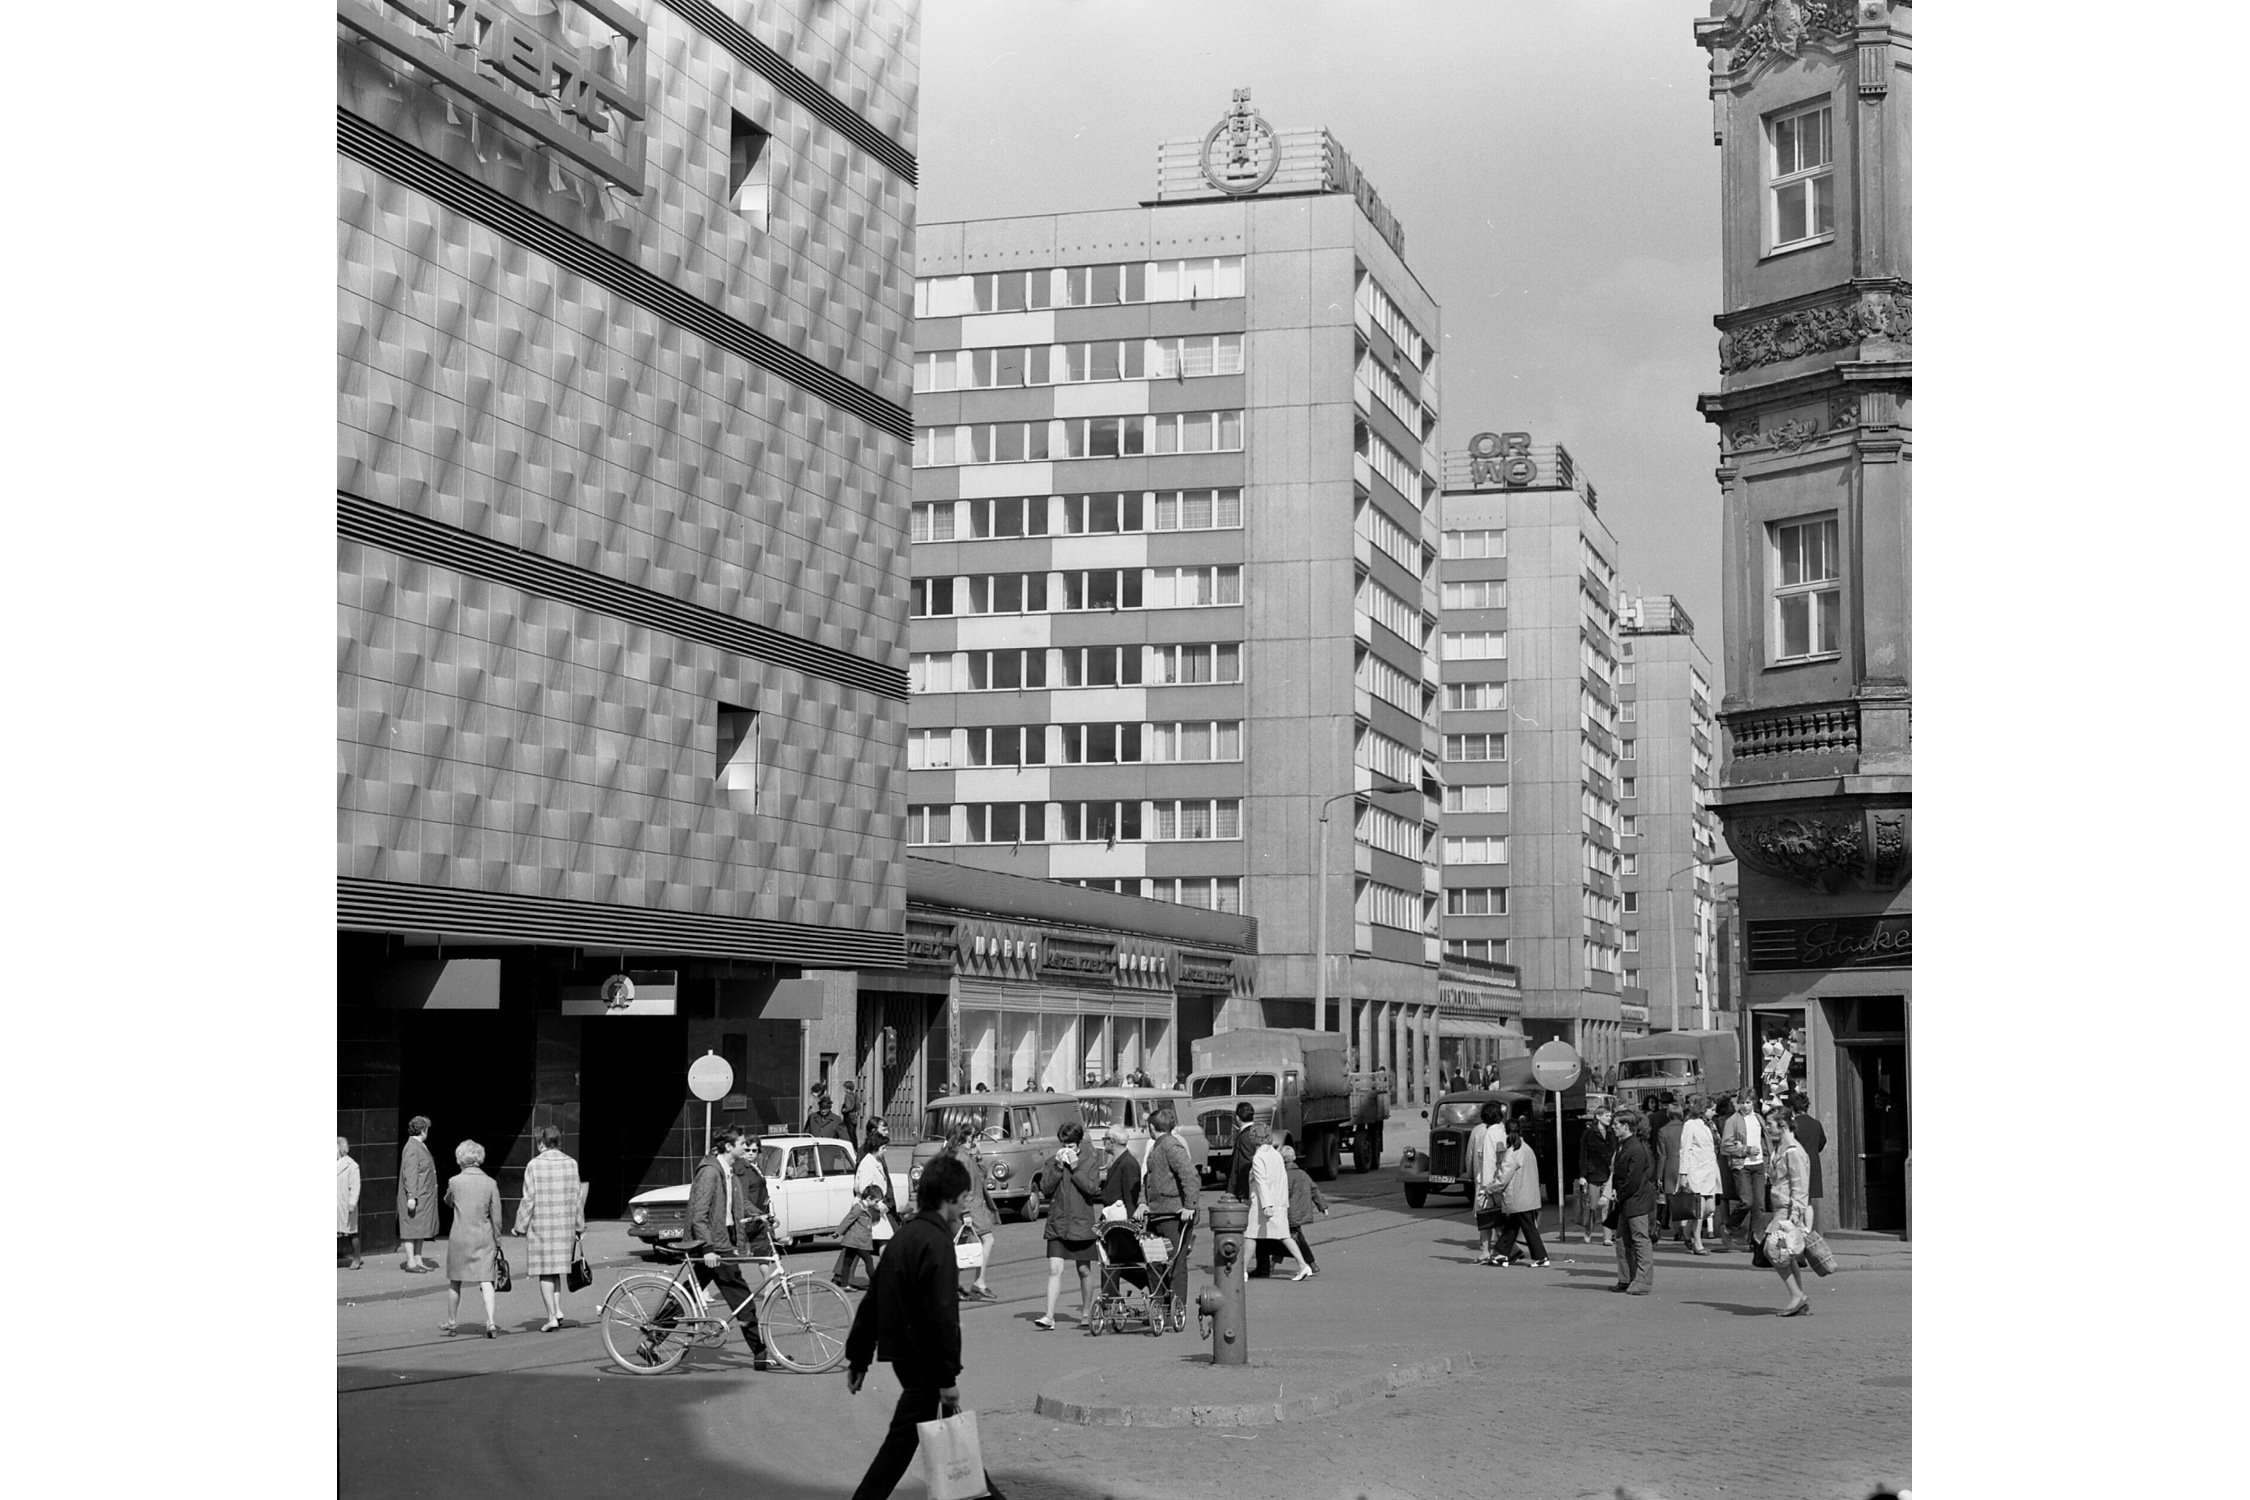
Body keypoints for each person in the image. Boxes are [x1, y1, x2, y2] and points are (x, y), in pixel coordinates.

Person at [843, 1155, 1007, 1500]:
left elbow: (872, 1302)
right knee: (907, 1440)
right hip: (925, 1359)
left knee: (944, 1436)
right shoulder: (938, 1243)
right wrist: (947, 1378)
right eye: (963, 1197)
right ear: (948, 1198)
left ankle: (984, 1492)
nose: (966, 1203)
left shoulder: (904, 1237)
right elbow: (942, 1316)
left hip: (906, 1354)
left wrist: (858, 1359)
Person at [684, 1125, 771, 1369]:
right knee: (743, 1300)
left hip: (720, 1243)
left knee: (687, 1295)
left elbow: (739, 1202)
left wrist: (761, 1215)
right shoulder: (710, 1173)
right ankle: (761, 1354)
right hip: (713, 1246)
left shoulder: (729, 1169)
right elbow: (698, 1214)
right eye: (742, 1143)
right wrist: (707, 1249)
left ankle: (651, 1341)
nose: (746, 1146)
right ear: (728, 1147)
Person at [513, 1124, 586, 1331]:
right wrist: (580, 1226)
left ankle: (552, 1316)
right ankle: (558, 1309)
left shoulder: (534, 1165)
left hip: (542, 1226)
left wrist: (520, 1226)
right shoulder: (571, 1163)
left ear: (541, 1142)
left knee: (545, 1273)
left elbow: (529, 1200)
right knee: (556, 1271)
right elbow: (577, 1199)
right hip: (564, 1227)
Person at [1032, 1121, 1104, 1329]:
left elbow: (1091, 1189)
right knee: (1055, 1269)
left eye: (1071, 1146)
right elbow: (1046, 1188)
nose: (1066, 1149)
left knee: (1084, 1270)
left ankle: (1085, 1311)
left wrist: (1074, 1166)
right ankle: (1049, 1315)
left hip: (1081, 1223)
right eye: (1064, 1144)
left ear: (1079, 1144)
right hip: (1058, 1223)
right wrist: (1056, 1166)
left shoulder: (1089, 1161)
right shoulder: (1052, 1162)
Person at [442, 1139, 507, 1337]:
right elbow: (496, 1216)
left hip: (460, 1237)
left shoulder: (455, 1181)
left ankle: (452, 1322)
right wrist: (497, 1239)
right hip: (483, 1237)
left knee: (455, 1280)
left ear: (461, 1158)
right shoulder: (490, 1183)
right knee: (486, 1280)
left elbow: (448, 1201)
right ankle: (491, 1322)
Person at [938, 1123, 1002, 1301]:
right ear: (967, 1138)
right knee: (986, 1240)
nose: (977, 1140)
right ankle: (978, 1282)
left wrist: (980, 1157)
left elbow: (980, 1177)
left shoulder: (964, 1156)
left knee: (962, 1248)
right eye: (974, 1137)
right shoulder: (961, 1157)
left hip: (973, 1205)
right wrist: (965, 1212)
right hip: (970, 1206)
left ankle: (952, 1285)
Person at [1140, 1105, 1200, 1287]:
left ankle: (1176, 1311)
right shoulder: (1157, 1147)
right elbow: (1147, 1179)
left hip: (1174, 1216)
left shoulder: (1171, 1145)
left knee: (1175, 1266)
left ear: (1151, 1127)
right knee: (1154, 1263)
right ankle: (1159, 1307)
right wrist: (1142, 1202)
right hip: (1157, 1214)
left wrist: (1190, 1206)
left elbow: (1190, 1175)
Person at [1767, 1112, 1815, 1316]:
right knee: (1786, 1253)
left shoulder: (1793, 1151)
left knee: (1773, 1251)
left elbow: (1800, 1183)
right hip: (1782, 1206)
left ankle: (1797, 1295)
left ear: (1783, 1125)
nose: (1767, 1128)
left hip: (1787, 1209)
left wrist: (1796, 1211)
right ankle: (1799, 1297)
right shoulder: (1781, 1148)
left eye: (1770, 1124)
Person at [1607, 1112, 1657, 1296]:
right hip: (1626, 1202)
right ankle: (1626, 1278)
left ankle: (1643, 1281)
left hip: (1636, 1202)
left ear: (1626, 1127)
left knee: (1640, 1241)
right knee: (1621, 1240)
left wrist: (1618, 1195)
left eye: (1616, 1124)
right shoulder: (1623, 1146)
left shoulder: (1635, 1148)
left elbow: (1633, 1180)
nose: (1613, 1127)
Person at [1492, 1117, 1549, 1266]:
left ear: (1506, 1133)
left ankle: (1541, 1256)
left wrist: (1490, 1188)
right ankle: (1501, 1253)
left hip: (1517, 1196)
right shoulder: (1527, 1148)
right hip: (1528, 1195)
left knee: (1528, 1228)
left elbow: (1503, 1177)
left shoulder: (1512, 1152)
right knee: (1513, 1226)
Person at [1721, 1093, 1769, 1252]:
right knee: (1746, 1201)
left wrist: (1767, 1165)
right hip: (1742, 1165)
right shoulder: (1732, 1121)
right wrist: (1746, 1150)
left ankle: (1756, 1240)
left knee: (1759, 1205)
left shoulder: (1758, 1119)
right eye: (1741, 1102)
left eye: (1747, 1102)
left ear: (1753, 1103)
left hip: (1759, 1165)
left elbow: (1765, 1142)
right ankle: (1729, 1227)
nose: (1744, 1106)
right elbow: (1725, 1146)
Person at [1677, 1096, 1722, 1255]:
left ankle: (1687, 1230)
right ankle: (1698, 1243)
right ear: (1703, 1109)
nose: (1714, 1113)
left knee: (1709, 1208)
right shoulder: (1690, 1125)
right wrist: (1683, 1174)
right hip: (1695, 1170)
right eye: (1712, 1109)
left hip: (1710, 1170)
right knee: (1699, 1207)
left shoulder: (1711, 1125)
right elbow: (1685, 1149)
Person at [1245, 1126, 1292, 1278]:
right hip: (1277, 1200)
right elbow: (1282, 1179)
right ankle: (1304, 1263)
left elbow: (1261, 1182)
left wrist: (1267, 1205)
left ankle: (1243, 1269)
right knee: (1282, 1235)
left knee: (1251, 1234)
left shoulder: (1258, 1157)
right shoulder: (1276, 1154)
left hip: (1262, 1202)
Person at [397, 1115, 439, 1273]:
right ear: (423, 1130)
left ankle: (418, 1260)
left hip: (423, 1196)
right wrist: (411, 1197)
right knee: (411, 1229)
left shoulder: (419, 1145)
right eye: (426, 1129)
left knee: (419, 1229)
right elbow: (410, 1173)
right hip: (416, 1196)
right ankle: (410, 1262)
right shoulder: (412, 1148)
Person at [1282, 1144, 1328, 1279]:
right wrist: (1323, 1206)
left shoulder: (1285, 1175)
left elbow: (1284, 1193)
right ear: (1294, 1157)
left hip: (1289, 1213)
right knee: (1294, 1237)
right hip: (1300, 1212)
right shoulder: (1302, 1174)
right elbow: (1314, 1189)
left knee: (1287, 1237)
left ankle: (1309, 1264)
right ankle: (1312, 1264)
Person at [833, 1184, 887, 1292]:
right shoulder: (859, 1207)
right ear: (868, 1198)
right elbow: (849, 1219)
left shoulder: (867, 1207)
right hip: (857, 1240)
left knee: (848, 1260)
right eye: (876, 1201)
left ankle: (844, 1284)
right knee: (868, 1260)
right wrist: (838, 1232)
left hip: (855, 1240)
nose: (877, 1204)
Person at [1470, 1100, 1505, 1265]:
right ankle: (1501, 1250)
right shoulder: (1503, 1130)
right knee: (1499, 1218)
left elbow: (1488, 1161)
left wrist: (1486, 1187)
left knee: (1485, 1219)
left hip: (1489, 1182)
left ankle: (1485, 1252)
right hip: (1503, 1180)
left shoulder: (1488, 1133)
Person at [1577, 1105, 1617, 1246]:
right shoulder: (1589, 1133)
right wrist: (1582, 1175)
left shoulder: (1612, 1133)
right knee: (1593, 1206)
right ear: (1598, 1117)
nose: (1609, 1118)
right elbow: (1583, 1154)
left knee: (1607, 1206)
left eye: (1610, 1115)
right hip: (1593, 1174)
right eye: (1606, 1115)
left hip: (1608, 1174)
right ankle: (1588, 1231)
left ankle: (1607, 1236)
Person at [1788, 1091, 1827, 1206]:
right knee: (1808, 1201)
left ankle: (1798, 1223)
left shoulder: (1793, 1125)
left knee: (1795, 1199)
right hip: (1813, 1162)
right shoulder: (1816, 1124)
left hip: (1796, 1164)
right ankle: (1808, 1225)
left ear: (1792, 1108)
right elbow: (1822, 1142)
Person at [1097, 1125, 1142, 1217]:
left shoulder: (1128, 1163)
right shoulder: (1118, 1161)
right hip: (1112, 1216)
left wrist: (1130, 1223)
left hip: (1121, 1219)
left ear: (1112, 1142)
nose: (1103, 1143)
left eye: (1105, 1139)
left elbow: (1131, 1198)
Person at [1227, 1101, 1267, 1201]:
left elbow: (1241, 1166)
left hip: (1247, 1190)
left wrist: (1234, 1192)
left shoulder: (1244, 1137)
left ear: (1237, 1117)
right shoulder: (1261, 1132)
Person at [1654, 1105, 1684, 1239]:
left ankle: (1678, 1229)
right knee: (1686, 1199)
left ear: (1668, 1114)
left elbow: (1662, 1155)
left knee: (1672, 1201)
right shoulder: (1686, 1128)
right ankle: (1685, 1227)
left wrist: (1659, 1176)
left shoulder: (1663, 1131)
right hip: (1685, 1165)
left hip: (1670, 1167)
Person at [337, 1136, 364, 1269]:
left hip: (345, 1204)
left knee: (351, 1232)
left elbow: (355, 1186)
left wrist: (352, 1203)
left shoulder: (352, 1165)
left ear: (341, 1149)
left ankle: (356, 1258)